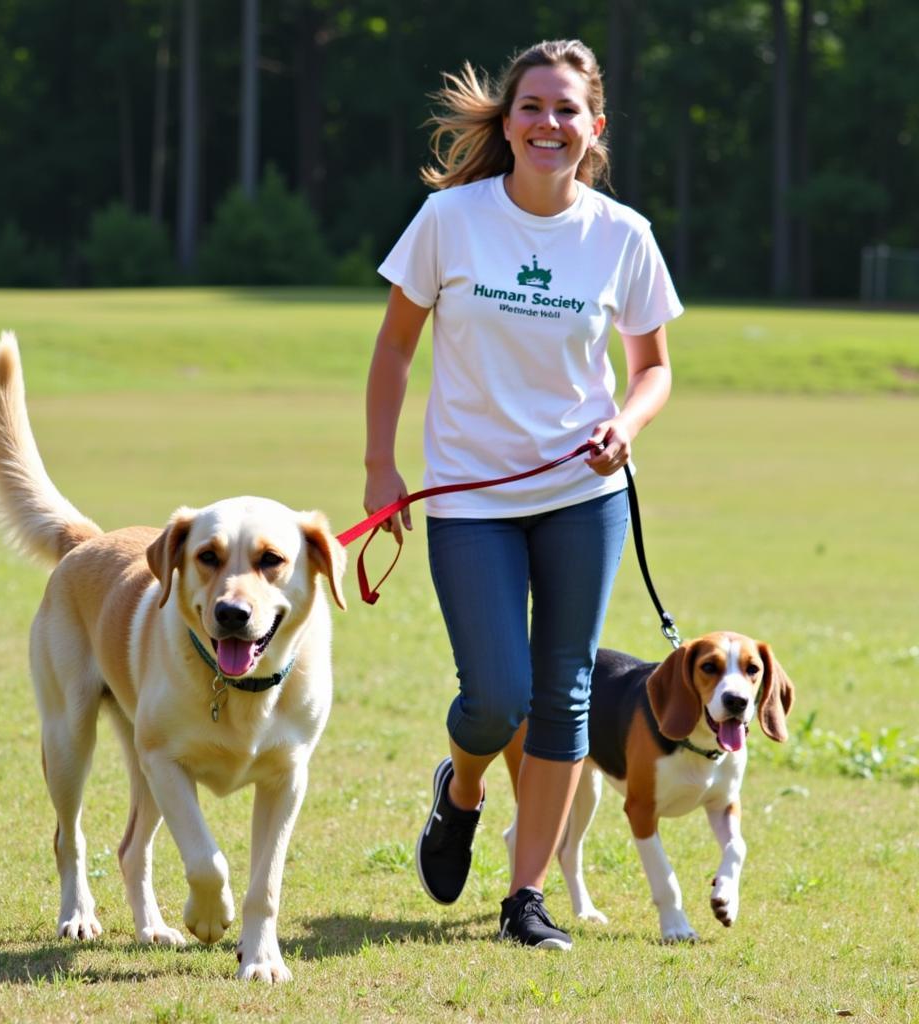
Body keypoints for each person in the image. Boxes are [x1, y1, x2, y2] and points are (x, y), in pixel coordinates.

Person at [363, 38, 683, 950]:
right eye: (533, 107)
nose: (550, 124)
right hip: (470, 498)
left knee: (566, 695)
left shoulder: (623, 236)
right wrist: (381, 468)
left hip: (586, 496)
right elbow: (393, 348)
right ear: (507, 123)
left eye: (567, 109)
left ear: (596, 127)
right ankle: (459, 789)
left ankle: (525, 899)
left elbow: (654, 369)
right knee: (497, 696)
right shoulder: (450, 220)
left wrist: (626, 423)